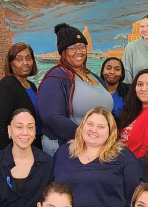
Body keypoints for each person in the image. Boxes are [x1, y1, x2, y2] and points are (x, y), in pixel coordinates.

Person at [53, 106, 143, 207]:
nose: (93, 130)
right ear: (82, 126)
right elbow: (52, 191)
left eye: (101, 126)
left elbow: (136, 195)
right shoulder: (64, 153)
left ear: (110, 131)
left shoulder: (123, 157)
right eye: (90, 124)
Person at [38, 23, 113, 157]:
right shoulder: (55, 78)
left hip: (98, 148)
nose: (79, 52)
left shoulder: (93, 76)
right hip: (68, 148)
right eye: (72, 47)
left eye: (82, 47)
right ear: (63, 52)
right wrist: (87, 138)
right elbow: (52, 118)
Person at [0, 42, 41, 159]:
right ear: (11, 63)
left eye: (28, 58)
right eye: (19, 59)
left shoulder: (31, 86)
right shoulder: (7, 85)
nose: (25, 63)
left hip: (29, 148)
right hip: (9, 153)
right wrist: (8, 157)